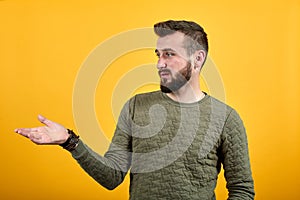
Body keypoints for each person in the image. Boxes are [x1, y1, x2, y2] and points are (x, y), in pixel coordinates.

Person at [15, 20, 255, 199]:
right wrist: (70, 140)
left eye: (169, 54)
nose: (160, 63)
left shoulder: (226, 119)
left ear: (198, 58)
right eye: (158, 55)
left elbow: (242, 190)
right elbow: (112, 177)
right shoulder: (136, 106)